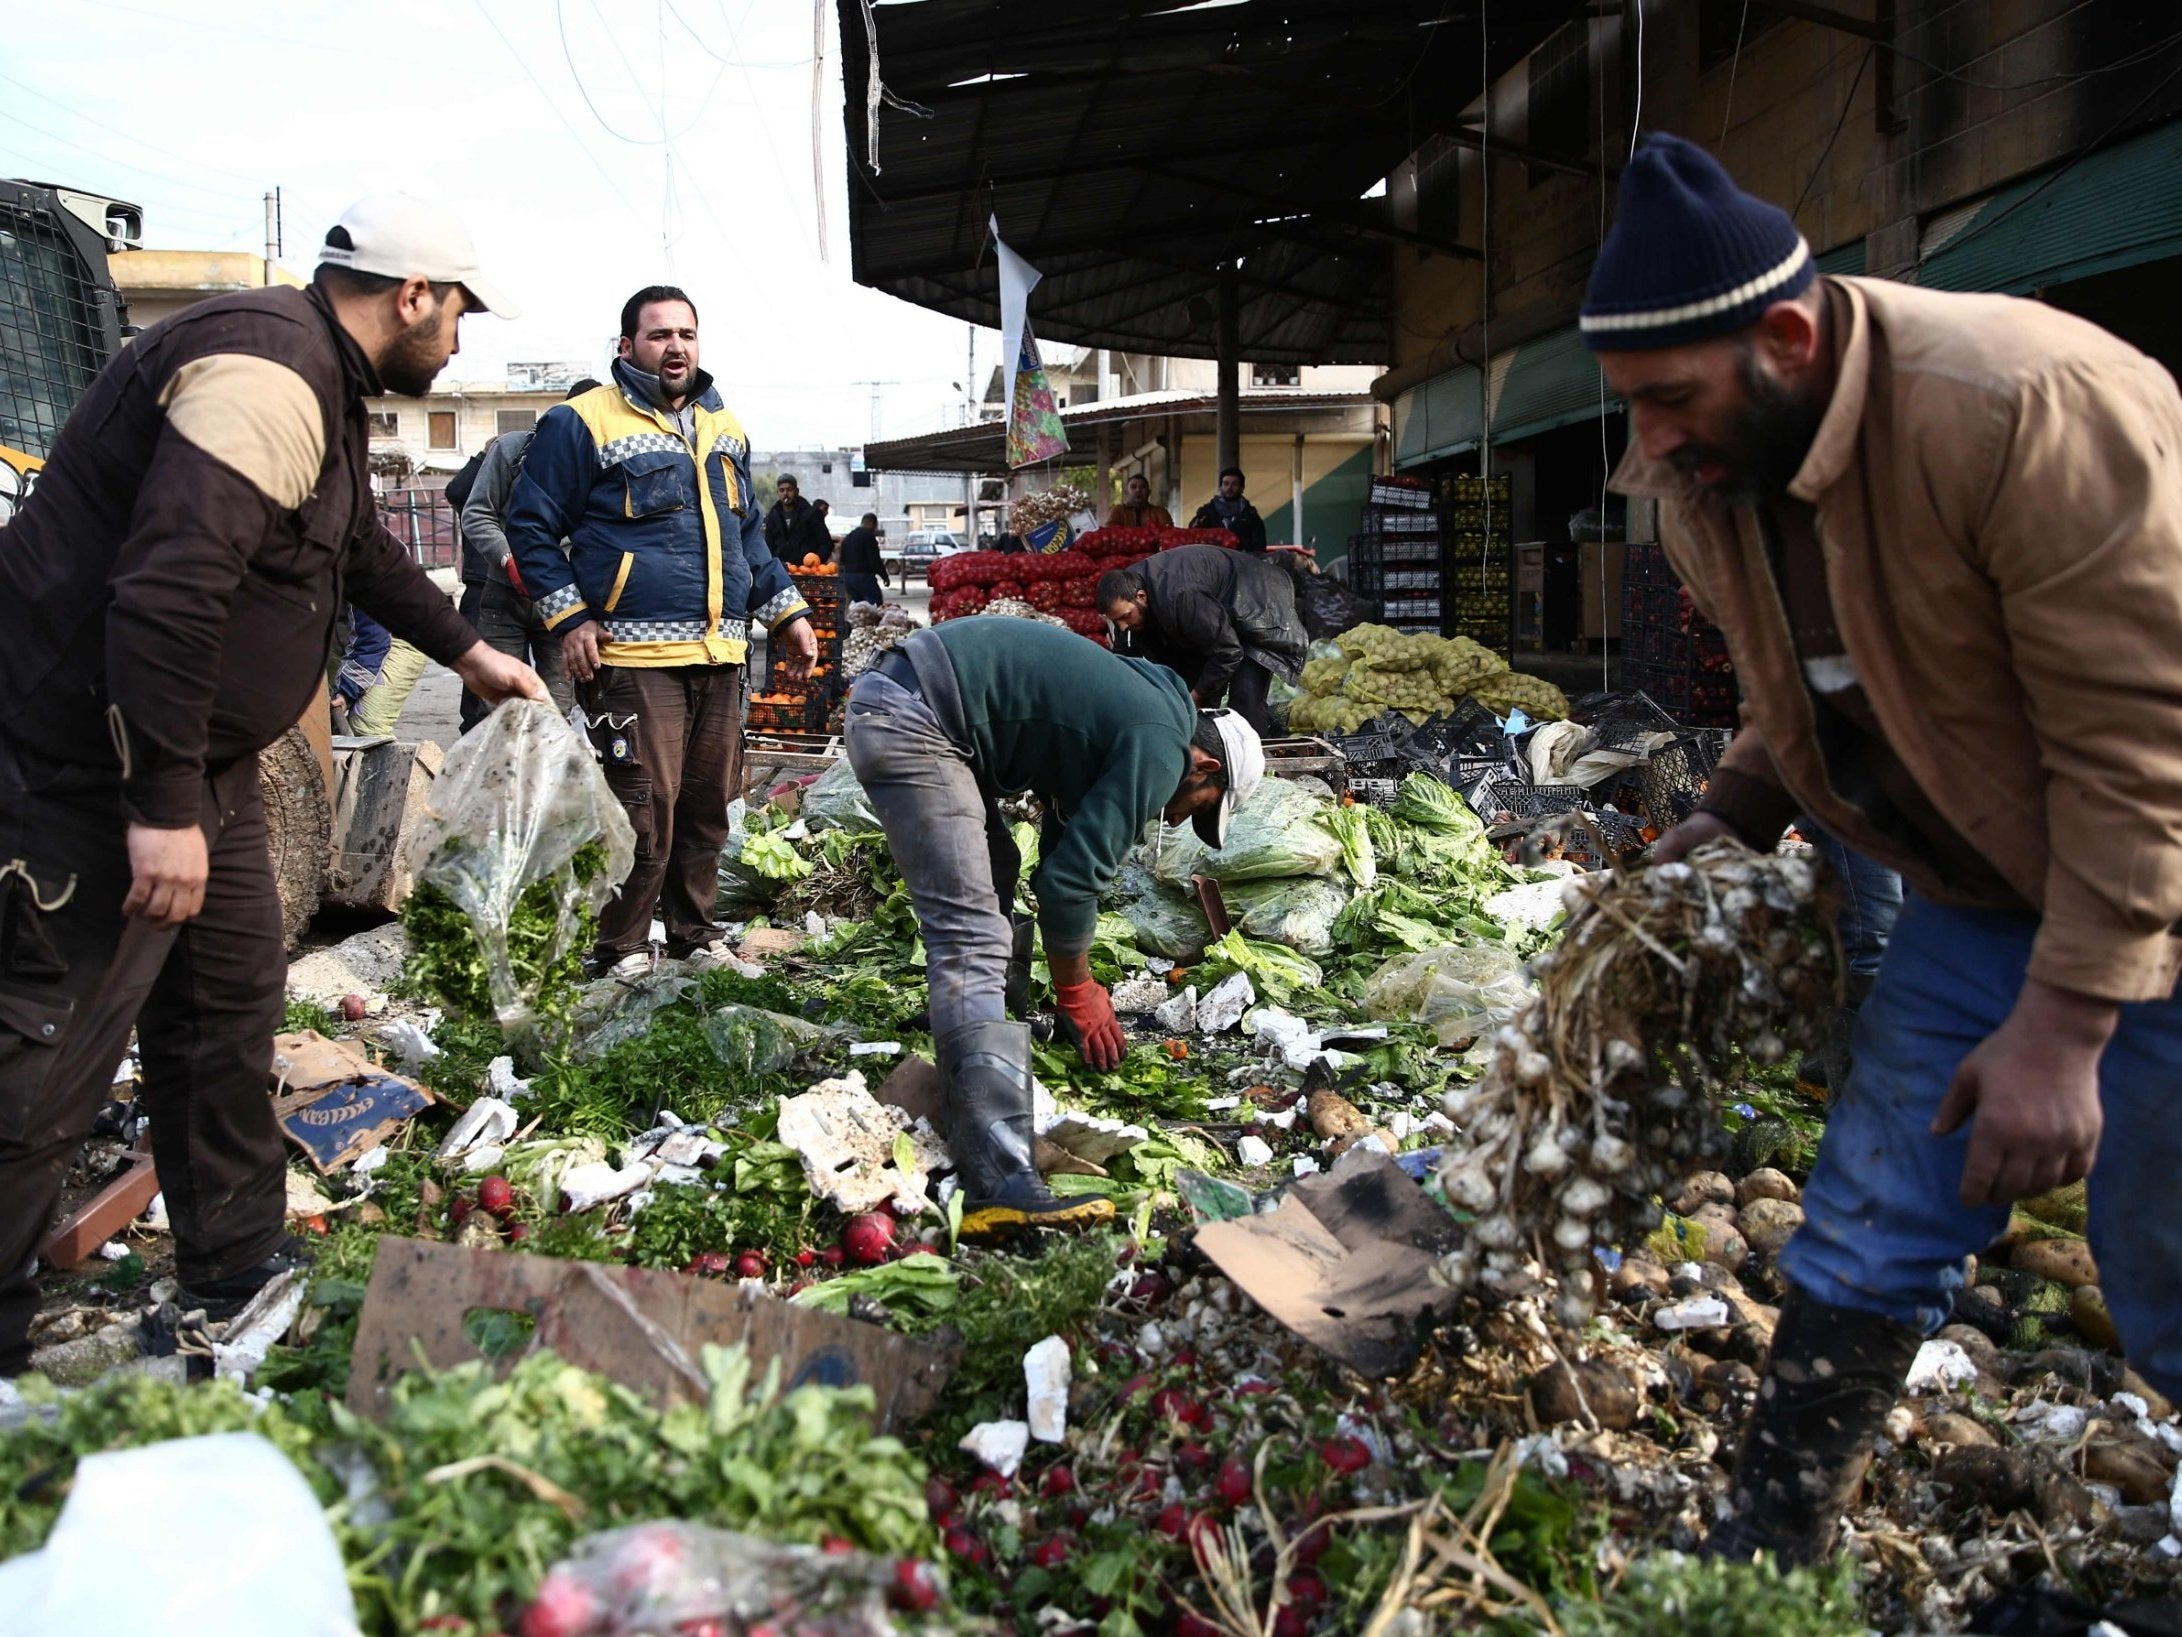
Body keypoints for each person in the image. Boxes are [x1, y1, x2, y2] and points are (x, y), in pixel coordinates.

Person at [1586, 133, 2182, 1564]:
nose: (1647, 444)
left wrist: (2064, 1020)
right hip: (1978, 886)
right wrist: (1731, 810)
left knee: (2163, 1261)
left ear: (1785, 339)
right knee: (1863, 1211)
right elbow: (1819, 681)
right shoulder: (1721, 464)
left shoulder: (2023, 405)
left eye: (1667, 402)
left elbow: (2138, 736)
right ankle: (1763, 1559)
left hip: (2154, 885)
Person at [0, 195, 544, 1370]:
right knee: (52, 1043)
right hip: (96, 763)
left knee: (223, 1006)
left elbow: (353, 548)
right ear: (413, 295)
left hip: (207, 763)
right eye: (457, 312)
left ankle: (232, 1265)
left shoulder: (326, 386)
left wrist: (468, 651)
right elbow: (166, 593)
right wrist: (158, 810)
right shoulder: (265, 370)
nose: (458, 339)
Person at [844, 618, 1263, 1237]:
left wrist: (1070, 997)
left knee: (998, 864)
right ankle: (1000, 1181)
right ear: (1204, 767)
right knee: (972, 935)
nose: (1176, 823)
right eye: (1196, 809)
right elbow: (1070, 887)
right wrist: (1079, 992)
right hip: (916, 716)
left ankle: (989, 1039)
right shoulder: (1160, 744)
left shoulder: (1143, 711)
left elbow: (1060, 857)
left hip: (908, 693)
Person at [506, 285, 817, 980]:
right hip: (631, 656)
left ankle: (694, 936)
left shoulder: (725, 425)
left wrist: (788, 612)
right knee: (642, 808)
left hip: (720, 654)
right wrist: (571, 617)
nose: (674, 346)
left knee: (708, 807)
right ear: (626, 346)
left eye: (686, 333)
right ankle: (617, 949)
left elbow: (747, 537)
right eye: (657, 335)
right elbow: (529, 526)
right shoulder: (580, 422)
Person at [455, 378, 600, 730]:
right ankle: (506, 784)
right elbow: (476, 513)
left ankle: (544, 784)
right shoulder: (513, 450)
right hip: (504, 594)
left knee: (556, 712)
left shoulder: (606, 459)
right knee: (501, 711)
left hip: (566, 603)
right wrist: (508, 558)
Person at [1097, 545, 1304, 735]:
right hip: (1214, 616)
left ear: (1141, 596)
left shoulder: (1181, 597)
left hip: (1258, 605)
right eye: (1116, 622)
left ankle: (1256, 768)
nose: (1122, 627)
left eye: (1125, 617)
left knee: (1244, 701)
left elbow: (1229, 652)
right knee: (1188, 699)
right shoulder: (1129, 593)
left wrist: (1196, 695)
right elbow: (1125, 663)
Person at [1188, 467, 1267, 553]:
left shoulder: (1251, 516)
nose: (1229, 488)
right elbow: (1193, 535)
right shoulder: (1206, 513)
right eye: (1226, 484)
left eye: (1234, 484)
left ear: (1242, 488)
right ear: (1220, 486)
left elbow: (1259, 547)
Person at [764, 473, 832, 566]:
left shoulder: (811, 514)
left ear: (797, 491)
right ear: (778, 493)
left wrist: (816, 562)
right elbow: (768, 545)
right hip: (781, 570)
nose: (785, 493)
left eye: (789, 490)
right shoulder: (773, 516)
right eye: (782, 490)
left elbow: (825, 543)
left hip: (806, 572)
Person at [837, 510, 890, 608]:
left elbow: (841, 560)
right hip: (864, 578)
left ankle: (858, 623)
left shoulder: (848, 537)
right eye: (875, 525)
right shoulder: (868, 537)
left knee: (858, 608)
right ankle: (873, 623)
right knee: (875, 604)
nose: (875, 529)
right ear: (871, 523)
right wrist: (885, 576)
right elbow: (874, 561)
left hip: (848, 578)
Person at [1106, 472, 1173, 531]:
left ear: (1149, 492)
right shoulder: (1118, 511)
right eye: (1133, 487)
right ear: (1126, 492)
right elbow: (1109, 532)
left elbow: (1169, 533)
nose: (1138, 490)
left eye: (1142, 487)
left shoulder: (1159, 512)